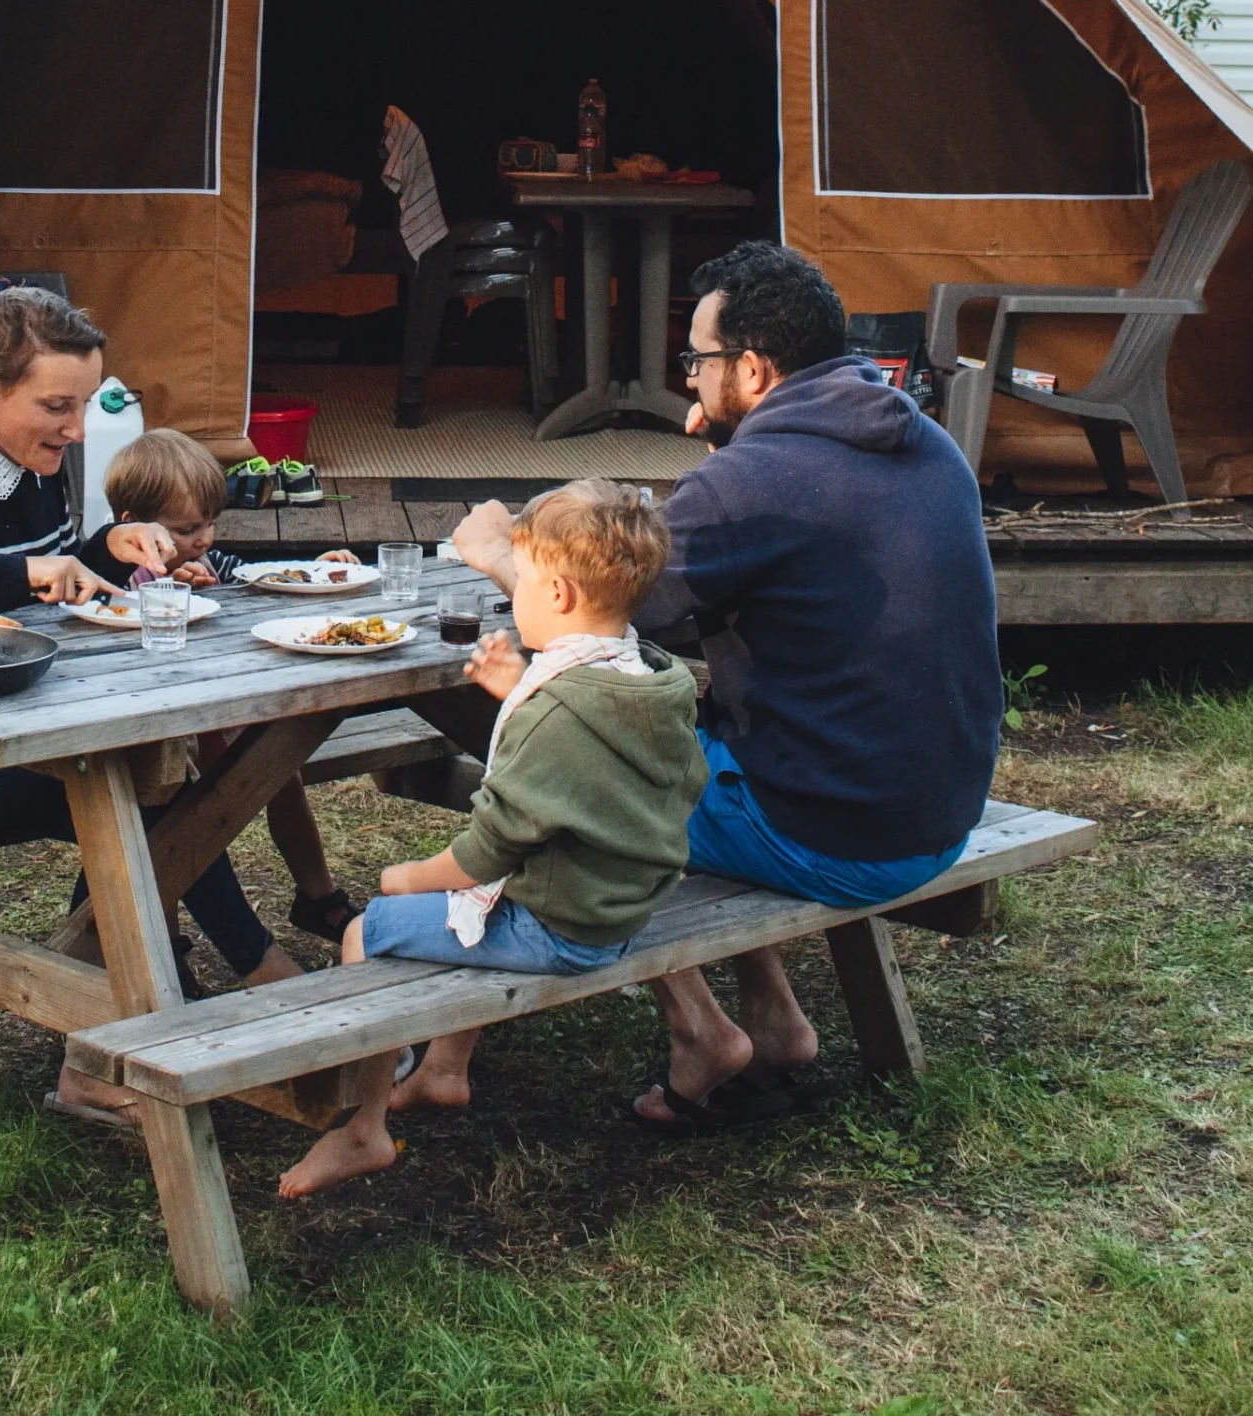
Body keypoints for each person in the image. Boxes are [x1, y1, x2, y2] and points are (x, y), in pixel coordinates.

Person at [454, 241, 1003, 1133]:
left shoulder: (757, 478)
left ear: (753, 368)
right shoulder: (922, 437)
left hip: (843, 834)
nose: (690, 381)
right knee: (683, 748)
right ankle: (776, 1021)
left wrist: (497, 554)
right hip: (938, 804)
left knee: (579, 785)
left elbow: (611, 610)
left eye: (698, 361)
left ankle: (698, 1032)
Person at [0, 289, 301, 1127]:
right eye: (57, 405)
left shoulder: (37, 470)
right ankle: (256, 982)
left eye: (83, 404)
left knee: (142, 775)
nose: (77, 428)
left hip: (28, 729)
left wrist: (102, 549)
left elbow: (51, 579)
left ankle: (118, 1036)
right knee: (147, 791)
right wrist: (28, 574)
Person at [276, 480, 706, 1198]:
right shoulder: (648, 678)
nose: (518, 597)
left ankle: (360, 1126)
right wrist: (525, 688)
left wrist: (407, 876)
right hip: (624, 906)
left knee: (370, 928)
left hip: (563, 927)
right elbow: (593, 751)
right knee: (431, 911)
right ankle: (435, 1073)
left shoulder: (558, 710)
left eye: (526, 582)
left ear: (561, 595)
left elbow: (489, 847)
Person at [89, 429, 360, 942]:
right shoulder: (113, 581)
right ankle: (163, 943)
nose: (206, 539)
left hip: (219, 713)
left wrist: (311, 568)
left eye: (212, 523)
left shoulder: (206, 562)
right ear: (132, 527)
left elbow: (255, 575)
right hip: (159, 736)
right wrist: (165, 587)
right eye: (189, 528)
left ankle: (317, 893)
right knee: (167, 816)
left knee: (280, 774)